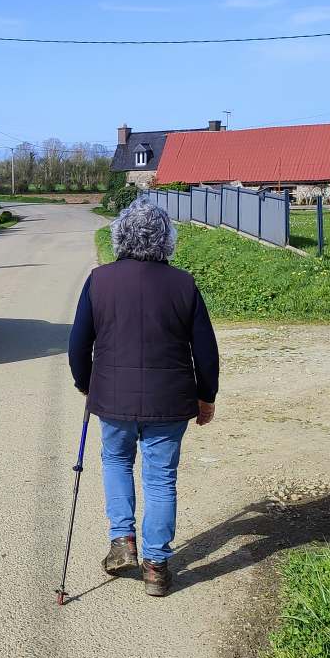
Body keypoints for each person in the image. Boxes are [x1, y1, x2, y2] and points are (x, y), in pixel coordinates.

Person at [68, 199, 220, 597]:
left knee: (116, 461)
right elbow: (205, 351)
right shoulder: (183, 283)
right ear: (166, 239)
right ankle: (156, 565)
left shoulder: (99, 280)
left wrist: (86, 384)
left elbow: (77, 344)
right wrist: (207, 398)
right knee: (161, 479)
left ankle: (123, 541)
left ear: (120, 235)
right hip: (169, 403)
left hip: (113, 400)